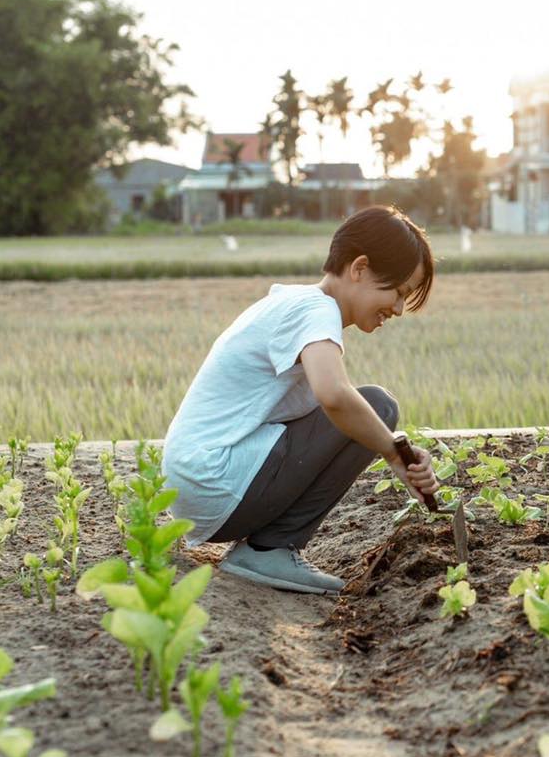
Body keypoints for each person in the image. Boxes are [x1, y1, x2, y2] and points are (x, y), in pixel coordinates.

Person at [163, 205, 440, 594]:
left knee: (369, 414)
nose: (397, 309)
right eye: (398, 292)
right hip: (212, 480)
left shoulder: (296, 302)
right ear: (359, 268)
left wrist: (401, 449)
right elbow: (334, 396)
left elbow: (326, 414)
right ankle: (270, 547)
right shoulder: (316, 310)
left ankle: (267, 546)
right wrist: (395, 454)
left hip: (198, 484)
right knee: (379, 406)